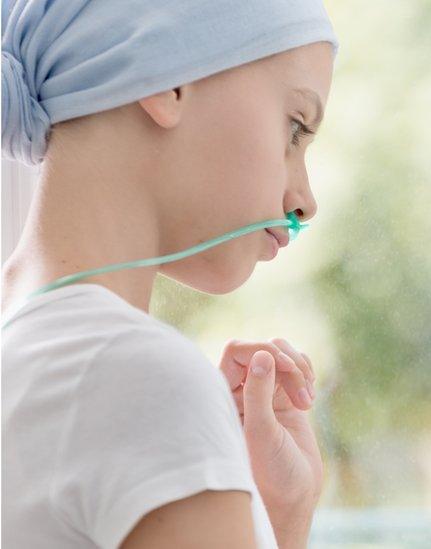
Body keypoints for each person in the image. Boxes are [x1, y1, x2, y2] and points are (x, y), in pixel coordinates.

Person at [0, 1, 338, 547]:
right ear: (167, 80)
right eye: (296, 127)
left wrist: (279, 513)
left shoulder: (31, 343)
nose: (304, 201)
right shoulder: (139, 377)